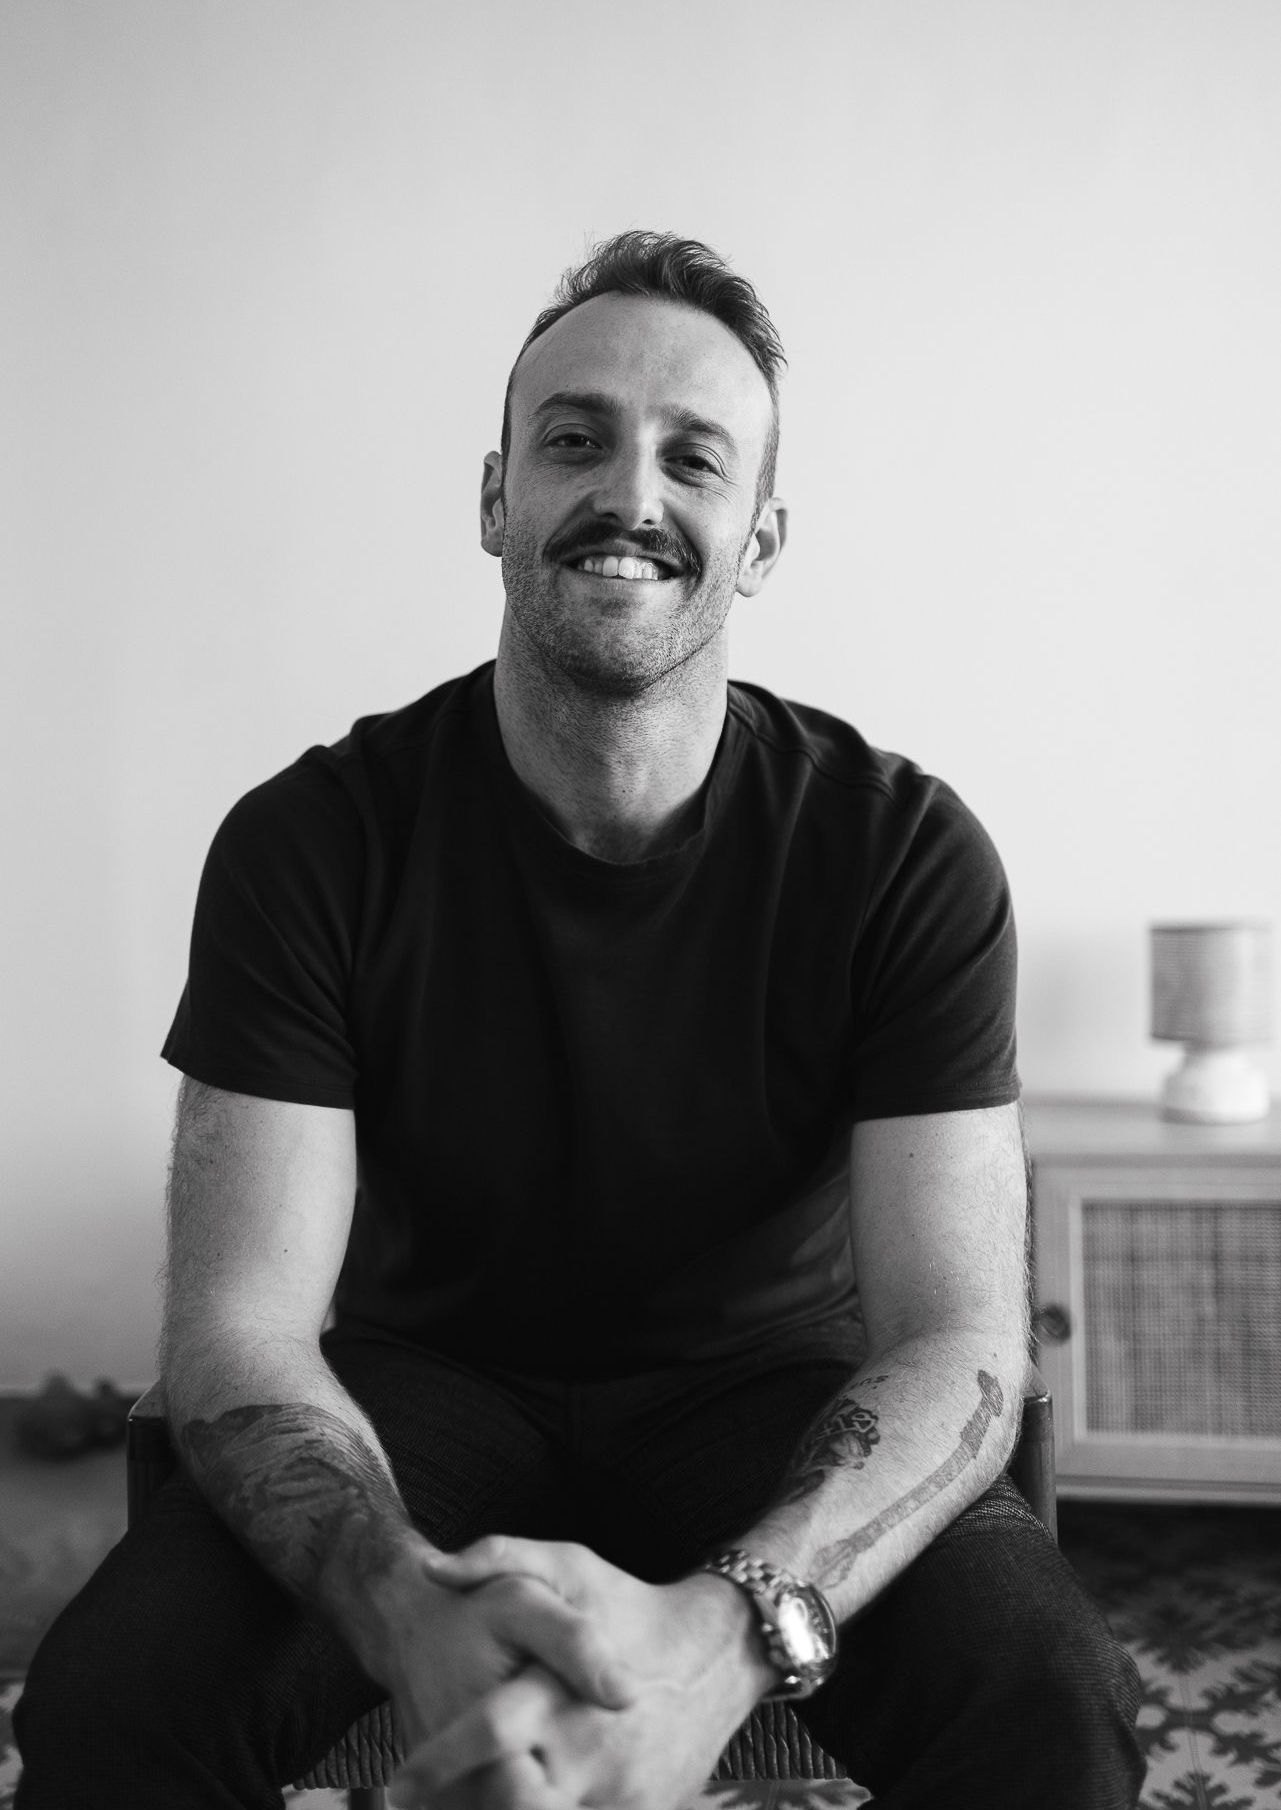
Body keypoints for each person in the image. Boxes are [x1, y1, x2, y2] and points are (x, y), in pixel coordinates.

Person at [15, 231, 1143, 1810]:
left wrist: (727, 1639)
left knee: (1050, 1700)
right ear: (495, 499)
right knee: (114, 1705)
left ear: (759, 540)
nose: (629, 494)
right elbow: (237, 1335)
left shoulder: (901, 851)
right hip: (413, 1392)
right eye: (573, 440)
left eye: (694, 458)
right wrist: (403, 1614)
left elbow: (954, 1334)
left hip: (765, 1396)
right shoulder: (308, 842)